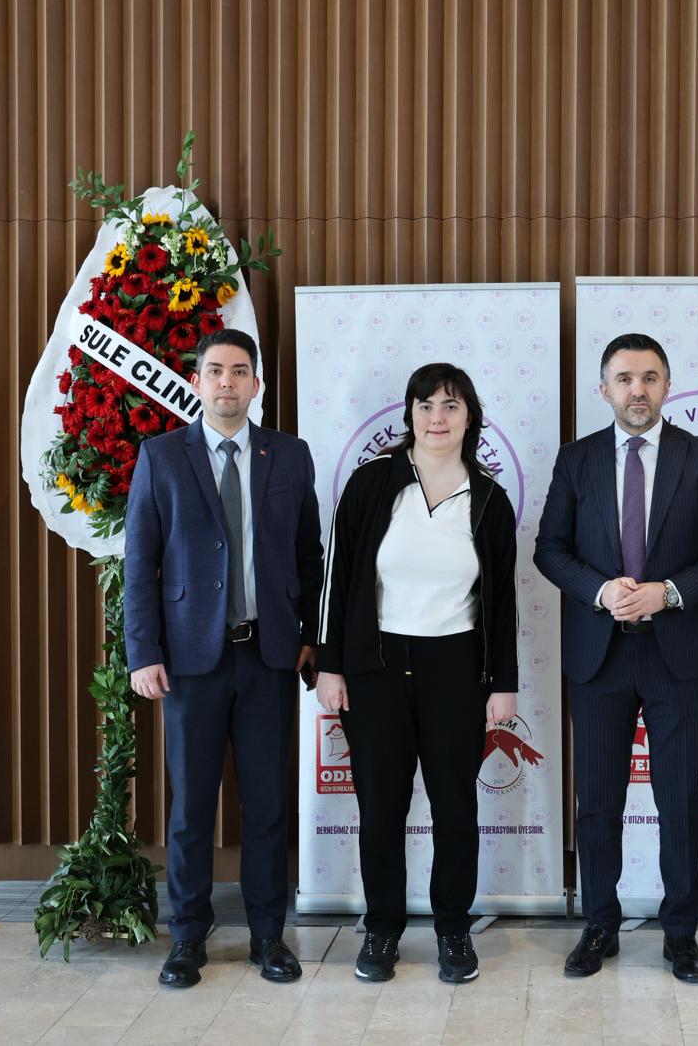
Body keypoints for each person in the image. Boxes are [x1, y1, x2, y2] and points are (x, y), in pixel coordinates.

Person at [534, 333, 698, 982]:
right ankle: (600, 925)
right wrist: (602, 590)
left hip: (676, 656)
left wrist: (668, 591)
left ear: (667, 386)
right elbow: (550, 549)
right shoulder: (576, 460)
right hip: (599, 658)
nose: (637, 390)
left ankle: (681, 933)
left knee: (678, 798)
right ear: (603, 389)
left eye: (650, 378)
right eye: (624, 379)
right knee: (598, 801)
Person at [124, 329, 323, 988]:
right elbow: (140, 564)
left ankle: (270, 936)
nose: (227, 383)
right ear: (196, 382)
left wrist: (308, 638)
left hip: (268, 658)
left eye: (240, 371)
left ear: (256, 384)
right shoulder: (161, 456)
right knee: (190, 810)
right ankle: (187, 937)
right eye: (215, 371)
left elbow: (308, 557)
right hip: (189, 662)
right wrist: (143, 651)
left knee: (266, 806)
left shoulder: (289, 456)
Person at [314, 362, 519, 984]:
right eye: (426, 405)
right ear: (408, 413)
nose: (437, 417)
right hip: (376, 667)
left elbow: (502, 599)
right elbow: (337, 577)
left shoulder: (488, 498)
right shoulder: (372, 484)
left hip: (456, 667)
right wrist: (330, 666)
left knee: (456, 806)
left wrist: (503, 682)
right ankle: (381, 930)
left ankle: (454, 930)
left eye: (451, 406)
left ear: (469, 418)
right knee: (381, 808)